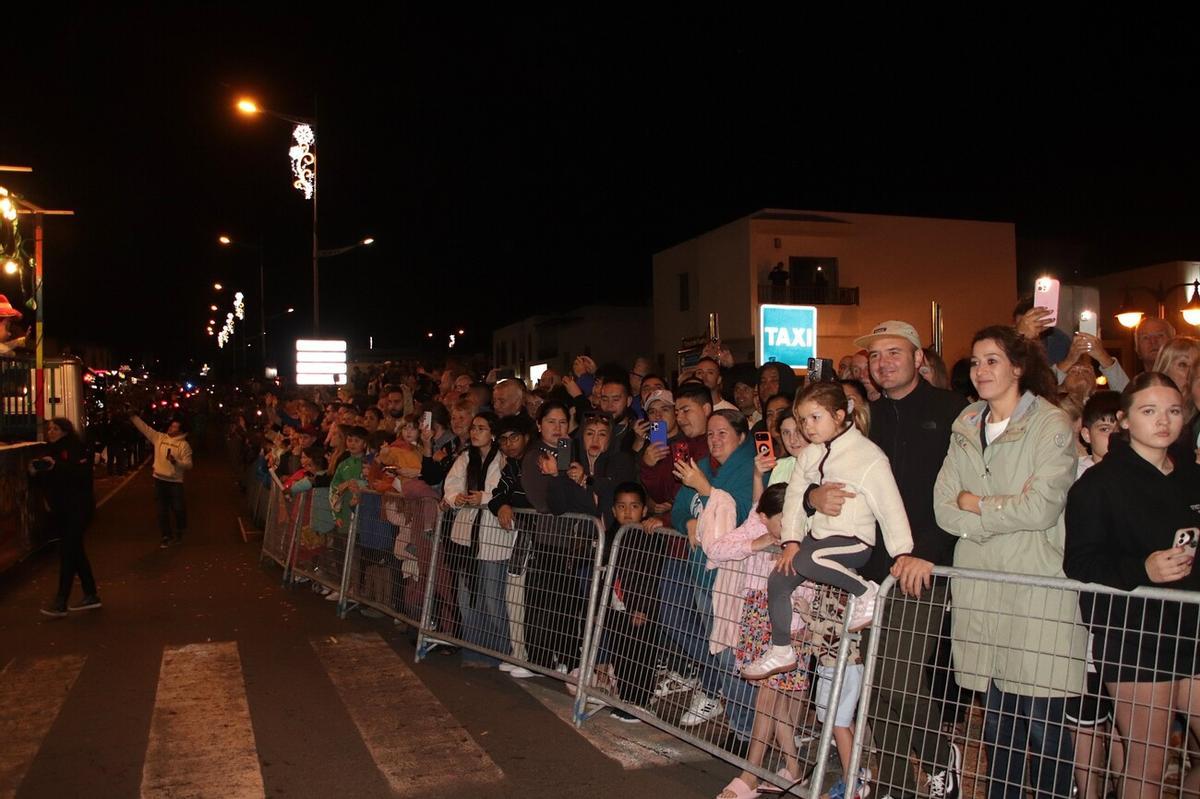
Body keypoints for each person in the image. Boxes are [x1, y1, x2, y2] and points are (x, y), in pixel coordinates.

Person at [934, 325, 1086, 799]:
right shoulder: (965, 424)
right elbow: (942, 507)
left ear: (1019, 367)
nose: (981, 370)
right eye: (976, 362)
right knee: (999, 724)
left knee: (1044, 721)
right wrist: (994, 508)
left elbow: (1041, 507)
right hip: (982, 588)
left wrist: (976, 506)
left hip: (1034, 585)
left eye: (993, 360)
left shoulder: (1050, 424)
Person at [1064, 372, 1200, 799]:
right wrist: (1143, 569)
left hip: (1192, 628)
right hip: (1134, 634)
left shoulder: (1192, 474)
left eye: (1173, 411)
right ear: (1125, 420)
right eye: (1150, 411)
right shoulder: (1099, 483)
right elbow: (1080, 562)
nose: (1164, 421)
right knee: (1148, 764)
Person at [741, 380, 912, 679]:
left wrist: (903, 553)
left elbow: (890, 507)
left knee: (807, 560)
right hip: (818, 539)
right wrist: (791, 541)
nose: (808, 426)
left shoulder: (868, 456)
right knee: (780, 579)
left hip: (854, 540)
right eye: (803, 419)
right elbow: (795, 498)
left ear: (839, 415)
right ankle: (781, 649)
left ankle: (867, 592)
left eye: (815, 417)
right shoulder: (810, 454)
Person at [703, 483, 811, 798]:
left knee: (768, 694)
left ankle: (750, 775)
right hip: (757, 614)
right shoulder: (757, 522)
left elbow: (810, 580)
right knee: (772, 697)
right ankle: (793, 769)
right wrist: (758, 543)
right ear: (764, 517)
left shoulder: (805, 528)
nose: (787, 527)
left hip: (790, 621)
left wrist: (802, 623)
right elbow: (717, 548)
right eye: (779, 520)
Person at [670, 408, 758, 744]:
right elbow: (679, 506)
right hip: (702, 575)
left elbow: (739, 514)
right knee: (721, 654)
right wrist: (687, 522)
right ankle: (740, 723)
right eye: (710, 434)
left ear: (741, 436)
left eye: (723, 433)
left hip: (734, 578)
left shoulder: (750, 467)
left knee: (734, 656)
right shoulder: (703, 466)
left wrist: (705, 490)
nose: (715, 440)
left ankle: (746, 731)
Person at [443, 411, 511, 667]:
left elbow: (502, 488)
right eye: (473, 428)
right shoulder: (465, 458)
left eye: (481, 428)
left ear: (492, 433)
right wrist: (455, 498)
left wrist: (482, 497)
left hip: (493, 537)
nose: (474, 432)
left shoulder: (503, 459)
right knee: (467, 597)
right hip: (465, 538)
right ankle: (474, 651)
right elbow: (451, 485)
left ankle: (503, 651)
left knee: (493, 600)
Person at [33, 418, 100, 618]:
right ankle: (91, 594)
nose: (51, 432)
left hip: (78, 508)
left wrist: (57, 466)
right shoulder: (48, 451)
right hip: (61, 510)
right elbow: (48, 480)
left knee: (68, 552)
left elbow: (80, 474)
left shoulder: (75, 448)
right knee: (75, 551)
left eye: (55, 429)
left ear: (65, 431)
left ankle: (61, 600)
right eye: (49, 429)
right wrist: (36, 471)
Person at [132, 412, 193, 548]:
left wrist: (176, 462)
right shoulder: (159, 438)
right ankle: (166, 536)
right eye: (171, 426)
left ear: (180, 431)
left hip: (175, 482)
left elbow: (189, 464)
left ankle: (180, 528)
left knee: (178, 508)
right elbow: (145, 428)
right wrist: (133, 416)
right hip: (159, 480)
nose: (171, 429)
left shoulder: (184, 445)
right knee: (162, 510)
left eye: (175, 427)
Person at [1077, 391, 1120, 477]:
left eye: (1120, 429)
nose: (1114, 435)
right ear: (1087, 435)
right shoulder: (1073, 475)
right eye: (1105, 429)